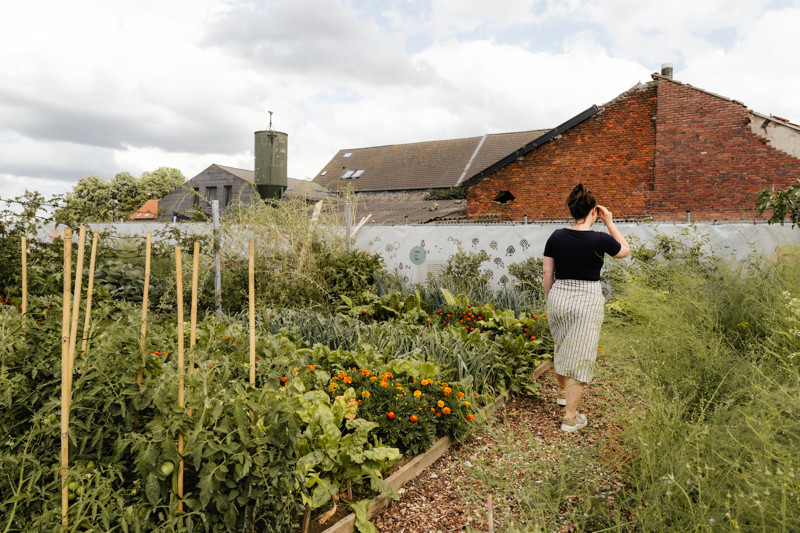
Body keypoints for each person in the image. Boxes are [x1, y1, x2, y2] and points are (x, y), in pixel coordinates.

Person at [542, 184, 630, 432]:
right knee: (580, 356)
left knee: (562, 346)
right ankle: (570, 418)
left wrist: (551, 300)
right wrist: (610, 222)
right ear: (594, 211)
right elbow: (625, 251)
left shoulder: (556, 236)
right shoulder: (600, 238)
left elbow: (548, 272)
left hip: (559, 295)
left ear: (572, 210)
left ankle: (563, 394)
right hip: (586, 299)